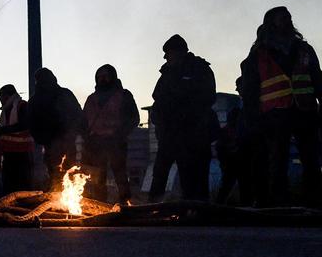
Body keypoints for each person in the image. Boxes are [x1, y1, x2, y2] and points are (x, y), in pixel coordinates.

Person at [239, 7, 321, 207]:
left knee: (311, 158)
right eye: (282, 18)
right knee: (278, 158)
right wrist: (254, 117)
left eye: (288, 17)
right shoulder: (258, 54)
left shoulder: (304, 49)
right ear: (270, 23)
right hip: (275, 113)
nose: (287, 20)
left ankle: (314, 200)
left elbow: (317, 78)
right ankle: (279, 202)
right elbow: (250, 88)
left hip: (305, 110)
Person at [149, 34, 216, 202]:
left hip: (192, 134)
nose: (166, 57)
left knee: (192, 174)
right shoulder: (166, 74)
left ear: (179, 52)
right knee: (159, 172)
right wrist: (159, 121)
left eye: (168, 53)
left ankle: (194, 209)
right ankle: (153, 206)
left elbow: (208, 98)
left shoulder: (200, 69)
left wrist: (185, 113)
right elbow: (157, 99)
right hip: (169, 134)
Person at [81, 64, 140, 203]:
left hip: (116, 142)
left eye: (105, 76)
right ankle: (100, 205)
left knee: (120, 175)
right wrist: (86, 140)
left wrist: (120, 135)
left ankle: (126, 204)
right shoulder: (91, 99)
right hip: (95, 143)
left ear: (112, 77)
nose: (102, 79)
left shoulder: (124, 95)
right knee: (98, 178)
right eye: (99, 77)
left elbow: (133, 118)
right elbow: (83, 122)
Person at [28, 67, 82, 190]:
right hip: (54, 143)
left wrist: (73, 133)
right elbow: (32, 122)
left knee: (62, 173)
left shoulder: (61, 95)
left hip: (64, 142)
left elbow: (77, 115)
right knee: (61, 173)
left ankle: (63, 199)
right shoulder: (38, 99)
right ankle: (60, 200)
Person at [215, 105, 255, 206]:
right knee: (231, 189)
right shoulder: (239, 131)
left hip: (238, 166)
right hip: (233, 166)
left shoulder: (240, 132)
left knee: (230, 189)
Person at [0, 84, 34, 193]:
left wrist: (2, 130)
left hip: (22, 154)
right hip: (8, 154)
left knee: (22, 185)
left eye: (1, 96)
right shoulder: (5, 111)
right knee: (9, 186)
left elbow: (25, 125)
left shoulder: (22, 106)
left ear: (7, 96)